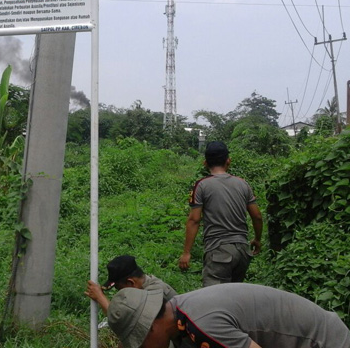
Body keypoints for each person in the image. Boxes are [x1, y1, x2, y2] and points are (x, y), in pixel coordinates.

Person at [108, 283, 350, 348]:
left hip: (326, 342)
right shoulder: (179, 315)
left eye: (139, 344)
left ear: (150, 327)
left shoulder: (200, 323)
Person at [178, 141, 263, 286]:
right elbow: (257, 216)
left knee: (214, 300)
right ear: (228, 161)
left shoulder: (202, 185)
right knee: (233, 296)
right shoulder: (243, 184)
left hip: (219, 251)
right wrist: (257, 239)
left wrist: (186, 252)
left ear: (205, 163)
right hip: (243, 250)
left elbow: (194, 220)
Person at [85, 255, 177, 315]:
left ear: (131, 283)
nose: (120, 292)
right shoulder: (143, 288)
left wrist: (100, 297)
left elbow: (122, 319)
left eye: (119, 288)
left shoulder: (155, 292)